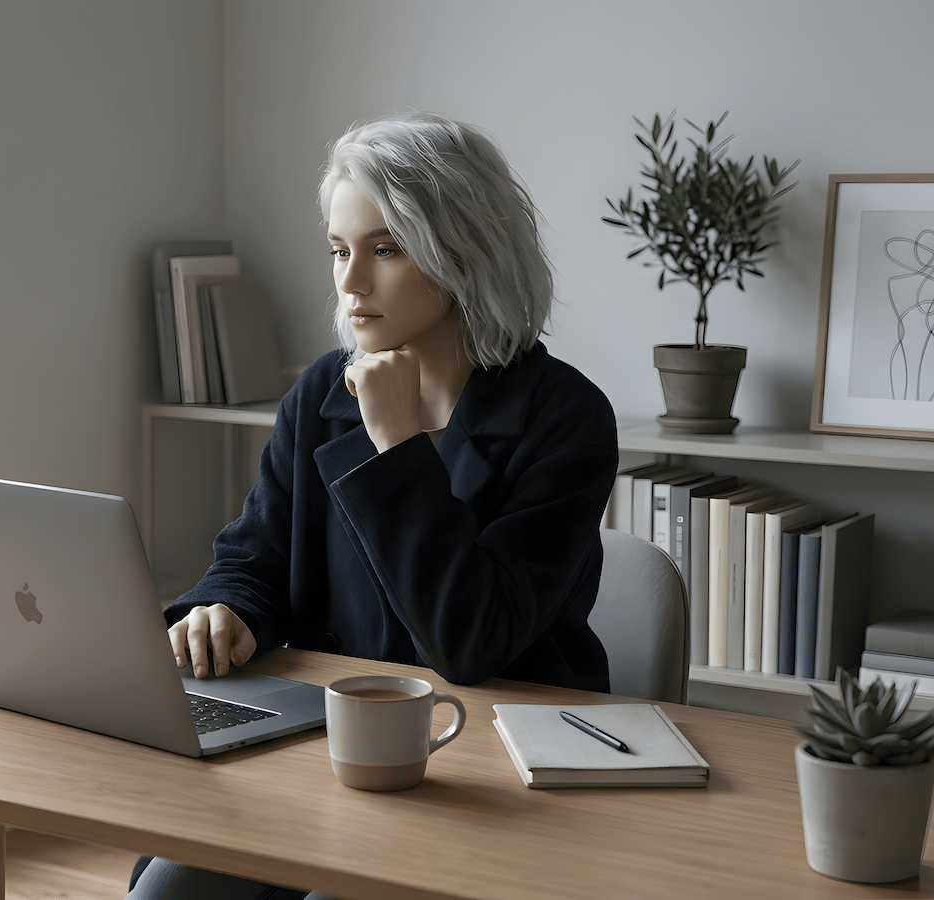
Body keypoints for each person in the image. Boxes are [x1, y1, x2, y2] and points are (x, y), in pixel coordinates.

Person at [128, 112, 618, 900]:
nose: (351, 282)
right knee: (165, 893)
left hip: (492, 772)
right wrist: (226, 608)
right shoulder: (323, 390)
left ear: (464, 254)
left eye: (384, 250)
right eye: (339, 250)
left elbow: (471, 641)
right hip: (327, 748)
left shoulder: (566, 419)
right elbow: (257, 555)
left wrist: (397, 446)